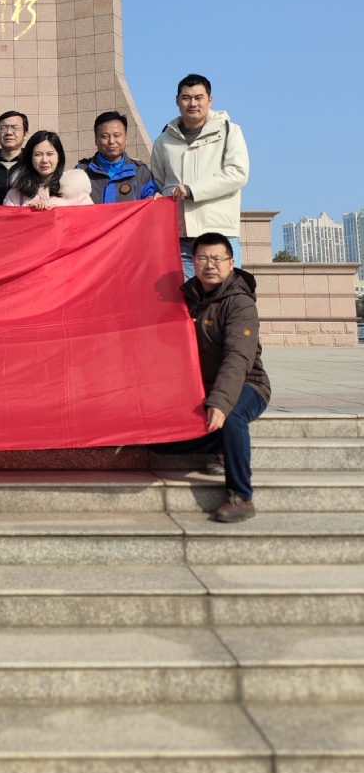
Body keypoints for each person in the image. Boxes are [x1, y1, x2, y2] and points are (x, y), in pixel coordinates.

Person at [152, 232, 271, 523]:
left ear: (231, 262)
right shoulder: (186, 298)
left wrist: (220, 401)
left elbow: (238, 357)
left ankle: (241, 496)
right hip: (200, 387)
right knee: (158, 440)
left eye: (217, 258)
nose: (210, 265)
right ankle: (220, 444)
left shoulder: (240, 303)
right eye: (203, 258)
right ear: (193, 262)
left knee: (231, 416)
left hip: (247, 384)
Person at [151, 74, 249, 278]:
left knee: (225, 293)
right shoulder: (163, 141)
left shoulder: (229, 131)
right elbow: (159, 182)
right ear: (177, 100)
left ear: (210, 100)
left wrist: (192, 190)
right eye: (186, 98)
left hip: (220, 234)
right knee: (186, 296)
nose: (192, 103)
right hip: (180, 239)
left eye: (198, 97)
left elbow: (238, 173)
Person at [76, 111, 158, 204]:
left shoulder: (141, 173)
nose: (111, 141)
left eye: (117, 136)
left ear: (126, 138)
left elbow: (152, 206)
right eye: (105, 136)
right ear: (96, 140)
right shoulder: (81, 172)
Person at [4, 131, 92, 208]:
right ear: (30, 158)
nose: (44, 160)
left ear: (59, 157)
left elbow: (90, 219)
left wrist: (63, 214)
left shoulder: (76, 191)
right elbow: (8, 220)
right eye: (38, 154)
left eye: (50, 154)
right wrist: (28, 211)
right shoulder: (16, 194)